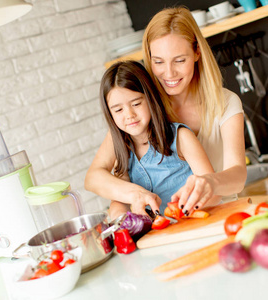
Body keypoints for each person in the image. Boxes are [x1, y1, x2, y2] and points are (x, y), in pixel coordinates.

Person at [85, 6, 247, 219]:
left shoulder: (226, 103)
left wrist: (210, 182)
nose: (169, 73)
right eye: (158, 62)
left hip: (219, 215)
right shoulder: (143, 106)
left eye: (179, 60)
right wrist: (133, 196)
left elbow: (238, 174)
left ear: (197, 52)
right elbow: (95, 177)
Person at [98, 60, 219, 217]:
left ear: (150, 99)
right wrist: (119, 215)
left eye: (136, 104)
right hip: (158, 235)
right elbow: (121, 199)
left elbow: (213, 193)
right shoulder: (123, 150)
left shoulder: (181, 137)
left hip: (193, 224)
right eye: (119, 110)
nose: (129, 115)